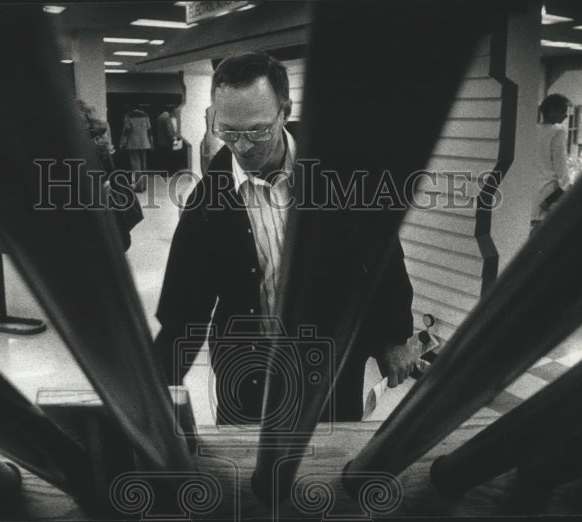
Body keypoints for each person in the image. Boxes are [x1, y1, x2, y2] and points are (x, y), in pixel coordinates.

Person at [152, 51, 417, 425]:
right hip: (247, 369)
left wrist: (395, 336)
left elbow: (382, 252)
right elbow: (184, 308)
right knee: (250, 471)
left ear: (285, 111)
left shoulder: (339, 171)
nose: (242, 146)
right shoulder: (206, 203)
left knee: (325, 462)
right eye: (228, 130)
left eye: (258, 130)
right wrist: (154, 389)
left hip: (329, 361)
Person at [530, 93, 572, 234]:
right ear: (552, 111)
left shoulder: (532, 129)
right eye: (563, 111)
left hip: (531, 192)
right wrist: (565, 189)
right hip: (548, 194)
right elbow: (562, 167)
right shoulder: (558, 131)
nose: (566, 116)